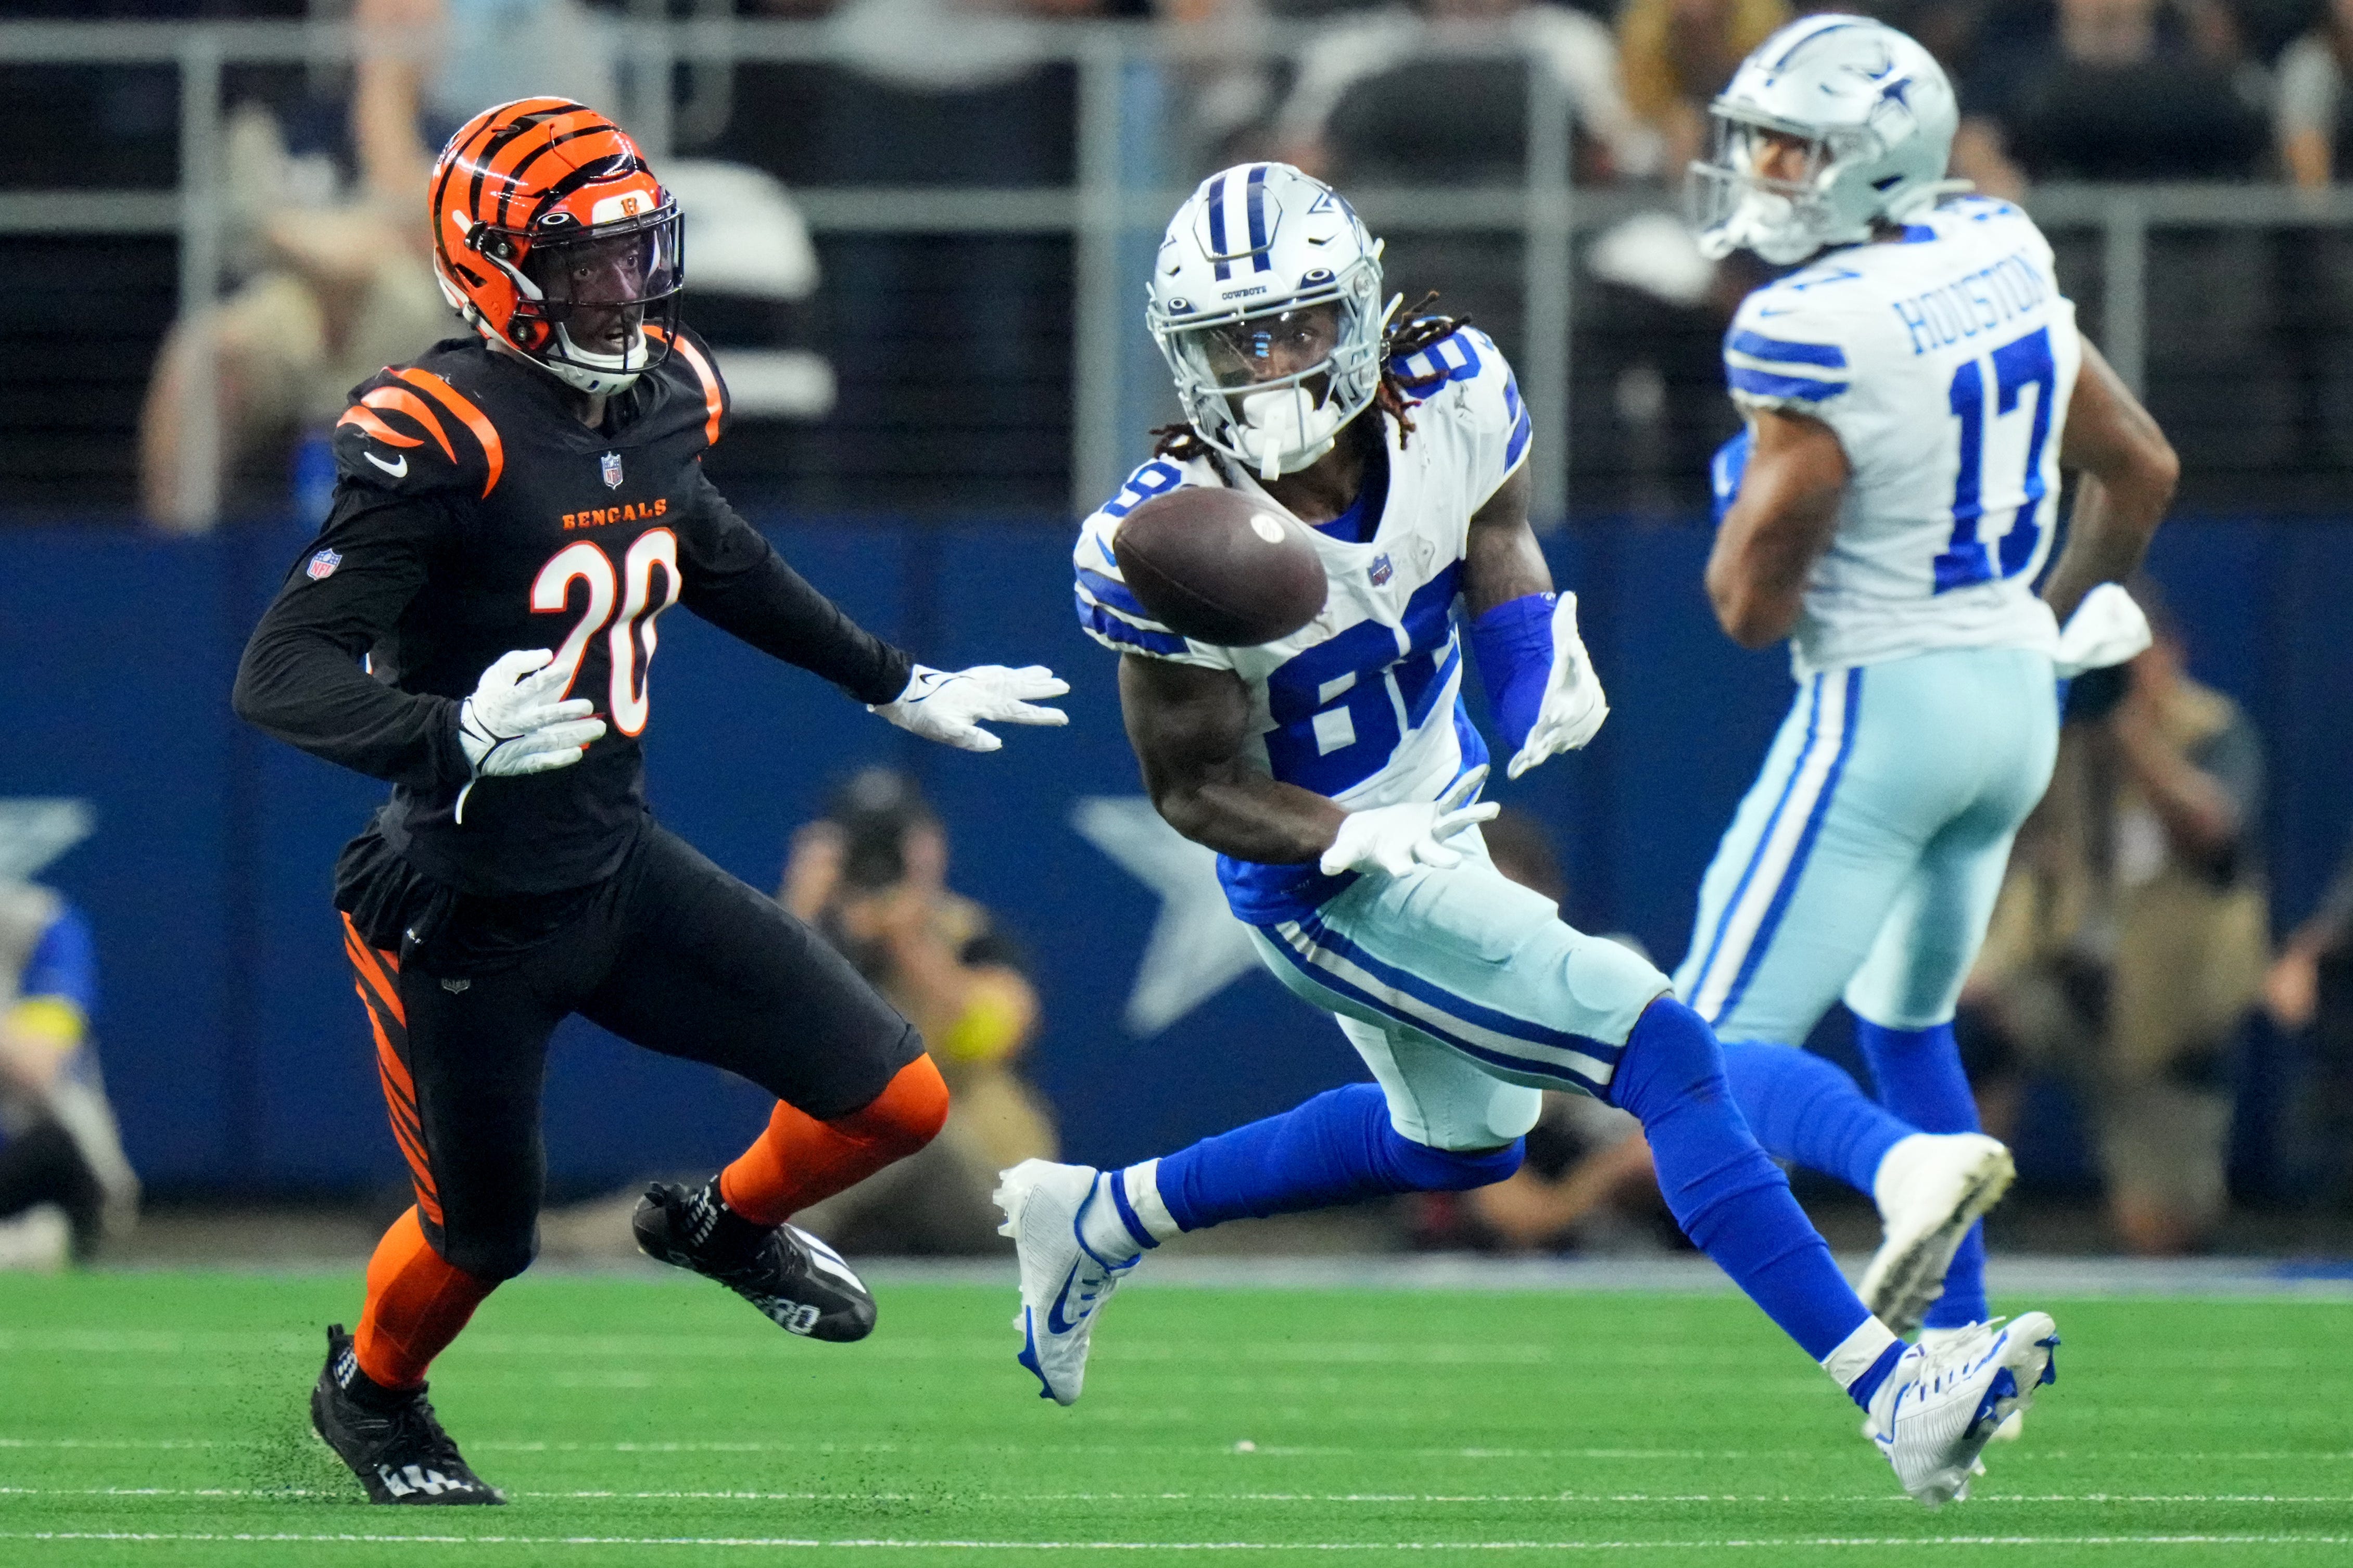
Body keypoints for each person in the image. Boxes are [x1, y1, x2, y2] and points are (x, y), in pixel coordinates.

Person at [1010, 159, 2059, 1509]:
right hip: (1318, 883)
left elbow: (1493, 532)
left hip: (1435, 807)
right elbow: (1193, 787)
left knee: (1464, 1146)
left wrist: (1528, 662)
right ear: (1184, 350)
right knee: (1660, 1038)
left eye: (1296, 324)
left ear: (1361, 313)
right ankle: (1891, 1388)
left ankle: (1102, 1212)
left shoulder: (1449, 390)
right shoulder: (1163, 541)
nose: (1268, 362)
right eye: (1233, 337)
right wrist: (1343, 835)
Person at [232, 98, 1068, 1507]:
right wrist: (448, 733)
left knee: (900, 1095)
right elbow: (280, 670)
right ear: (491, 267)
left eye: (634, 255)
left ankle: (726, 1222)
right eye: (582, 262)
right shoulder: (436, 427)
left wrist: (893, 678)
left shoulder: (665, 389)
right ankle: (371, 1394)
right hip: (457, 904)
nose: (620, 289)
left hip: (612, 867)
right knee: (481, 1237)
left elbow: (711, 545)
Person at [1679, 15, 2177, 1348]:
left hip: (1884, 707)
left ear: (1873, 162)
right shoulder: (1996, 247)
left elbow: (1745, 607)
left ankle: (1900, 1170)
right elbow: (2137, 467)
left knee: (1691, 1057)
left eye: (1792, 150)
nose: (1762, 173)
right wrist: (2038, 617)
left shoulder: (1804, 326)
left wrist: (1741, 498)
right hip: (2008, 704)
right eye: (1760, 145)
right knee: (1905, 1022)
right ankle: (1959, 1350)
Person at [1968, 603, 2266, 1254]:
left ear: (2169, 652)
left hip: (2165, 1005)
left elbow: (2212, 833)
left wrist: (2130, 731)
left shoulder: (2211, 729)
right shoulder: (2057, 736)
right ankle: (1960, 1209)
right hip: (2062, 982)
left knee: (2162, 1232)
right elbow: (2000, 847)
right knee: (1965, 1023)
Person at [777, 768, 1057, 1254]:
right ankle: (622, 1242)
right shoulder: (812, 947)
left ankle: (761, 1235)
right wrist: (796, 920)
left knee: (903, 1116)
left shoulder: (972, 935)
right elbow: (745, 1052)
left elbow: (998, 1033)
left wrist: (911, 942)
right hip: (856, 1181)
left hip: (984, 1177)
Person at [0, 882, 138, 1268]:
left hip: (40, 1155)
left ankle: (33, 1239)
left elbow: (37, 1062)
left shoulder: (40, 923)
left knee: (54, 1147)